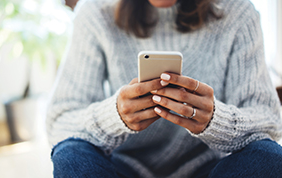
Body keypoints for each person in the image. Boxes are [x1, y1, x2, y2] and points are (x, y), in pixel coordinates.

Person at [47, 0, 282, 177]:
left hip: (208, 169)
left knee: (268, 156)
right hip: (122, 169)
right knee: (70, 155)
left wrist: (215, 120)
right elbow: (60, 122)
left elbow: (269, 121)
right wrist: (114, 115)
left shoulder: (237, 11)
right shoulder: (95, 11)